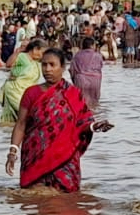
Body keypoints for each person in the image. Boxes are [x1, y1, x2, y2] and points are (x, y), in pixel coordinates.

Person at [6, 48, 111, 192]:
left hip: (65, 159)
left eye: (52, 65)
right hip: (35, 157)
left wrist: (94, 126)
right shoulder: (31, 93)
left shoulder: (73, 93)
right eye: (44, 65)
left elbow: (82, 123)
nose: (47, 69)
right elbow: (21, 124)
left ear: (62, 67)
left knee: (67, 201)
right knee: (33, 200)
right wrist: (12, 152)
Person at [68, 36, 105, 112]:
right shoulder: (98, 55)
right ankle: (94, 118)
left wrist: (74, 81)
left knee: (81, 103)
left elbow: (71, 70)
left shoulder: (77, 55)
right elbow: (100, 68)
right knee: (94, 104)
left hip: (81, 80)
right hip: (95, 81)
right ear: (92, 45)